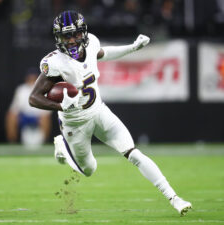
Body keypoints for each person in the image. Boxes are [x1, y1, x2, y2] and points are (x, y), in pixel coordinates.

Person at [29, 10, 192, 216]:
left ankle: (174, 198)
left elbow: (104, 53)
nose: (71, 40)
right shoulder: (54, 63)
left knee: (134, 153)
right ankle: (62, 145)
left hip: (99, 111)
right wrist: (62, 107)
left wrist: (133, 48)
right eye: (65, 36)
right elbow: (33, 98)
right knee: (89, 170)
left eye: (75, 34)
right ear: (58, 38)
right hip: (74, 125)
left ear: (83, 33)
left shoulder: (91, 44)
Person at [5, 68, 52, 148]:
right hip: (24, 117)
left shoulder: (44, 89)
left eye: (34, 78)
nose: (32, 80)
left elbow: (46, 112)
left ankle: (44, 143)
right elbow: (14, 109)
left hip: (38, 118)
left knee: (45, 118)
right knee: (11, 116)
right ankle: (12, 144)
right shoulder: (21, 89)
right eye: (30, 78)